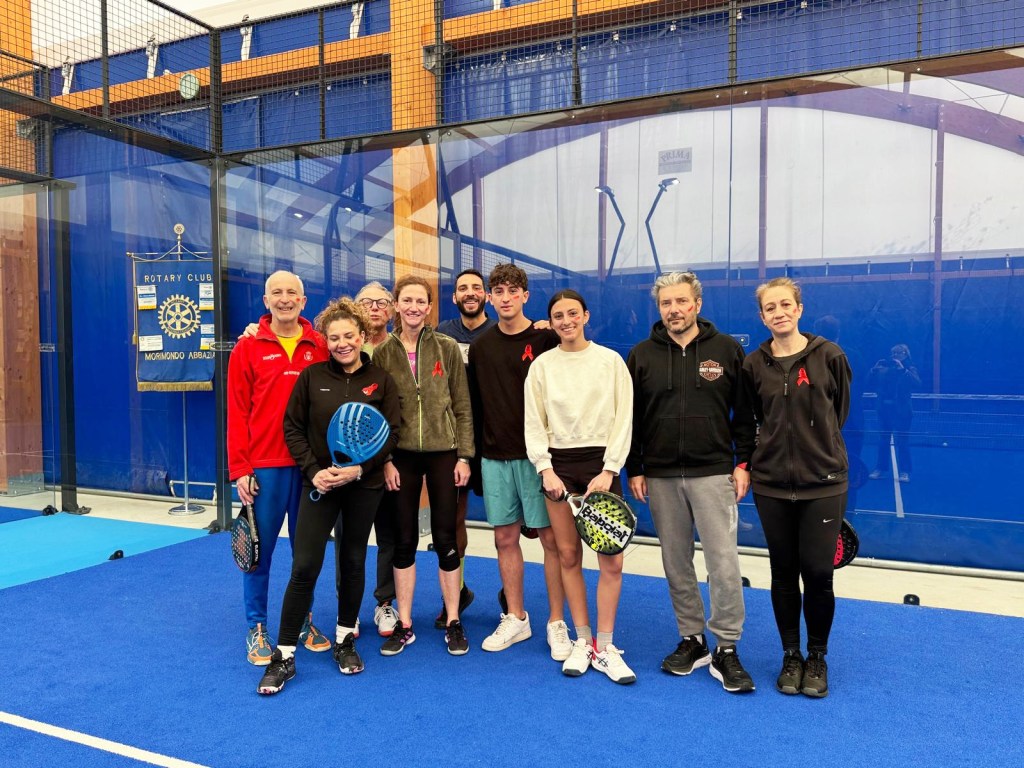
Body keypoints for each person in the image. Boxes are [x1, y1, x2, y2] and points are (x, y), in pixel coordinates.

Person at [257, 298, 401, 694]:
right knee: (304, 566)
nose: (342, 344)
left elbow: (391, 433)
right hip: (319, 486)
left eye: (349, 336)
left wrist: (360, 469)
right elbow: (293, 428)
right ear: (326, 340)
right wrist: (314, 472)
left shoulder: (382, 380)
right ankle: (284, 656)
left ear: (361, 335)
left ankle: (344, 641)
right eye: (334, 338)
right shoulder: (311, 377)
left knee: (353, 561)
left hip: (364, 486)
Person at [625, 272, 757, 694]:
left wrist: (743, 463)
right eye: (666, 303)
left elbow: (745, 414)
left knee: (723, 563)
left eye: (682, 301)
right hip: (661, 475)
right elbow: (632, 418)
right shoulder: (641, 355)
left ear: (697, 304)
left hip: (714, 472)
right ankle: (693, 639)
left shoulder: (726, 350)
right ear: (659, 308)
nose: (674, 310)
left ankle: (727, 647)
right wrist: (636, 467)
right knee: (676, 562)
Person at [741, 277, 852, 699]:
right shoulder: (753, 365)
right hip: (771, 486)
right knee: (783, 574)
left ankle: (817, 656)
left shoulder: (830, 356)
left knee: (819, 574)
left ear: (799, 309)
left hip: (823, 484)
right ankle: (791, 655)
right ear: (762, 316)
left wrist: (815, 452)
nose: (779, 313)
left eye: (785, 305)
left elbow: (839, 413)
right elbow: (754, 418)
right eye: (770, 308)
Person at [524, 289, 635, 684]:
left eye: (573, 313)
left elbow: (624, 418)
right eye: (558, 316)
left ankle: (605, 647)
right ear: (551, 322)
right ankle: (583, 641)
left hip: (600, 467)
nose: (566, 321)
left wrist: (609, 470)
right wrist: (545, 469)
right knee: (568, 556)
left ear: (586, 316)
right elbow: (534, 421)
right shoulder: (542, 366)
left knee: (612, 561)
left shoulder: (611, 361)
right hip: (558, 469)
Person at [227, 270, 332, 665]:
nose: (284, 298)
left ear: (303, 301)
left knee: (306, 554)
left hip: (309, 468)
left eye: (292, 292)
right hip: (264, 469)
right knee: (260, 553)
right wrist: (240, 468)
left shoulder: (320, 345)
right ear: (266, 301)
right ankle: (256, 627)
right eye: (277, 292)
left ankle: (303, 620)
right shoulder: (247, 347)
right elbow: (237, 412)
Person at [468, 264, 569, 660]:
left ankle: (557, 622)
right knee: (504, 539)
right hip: (495, 458)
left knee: (550, 541)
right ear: (489, 298)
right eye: (499, 291)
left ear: (525, 296)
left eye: (513, 291)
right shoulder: (481, 347)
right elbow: (475, 406)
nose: (506, 298)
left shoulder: (546, 338)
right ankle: (516, 617)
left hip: (538, 460)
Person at [372, 274, 476, 656]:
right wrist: (385, 460)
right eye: (407, 300)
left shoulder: (447, 348)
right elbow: (377, 412)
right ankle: (404, 624)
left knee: (446, 538)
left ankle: (453, 621)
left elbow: (462, 405)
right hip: (401, 457)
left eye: (421, 301)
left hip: (444, 453)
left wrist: (464, 456)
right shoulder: (383, 353)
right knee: (405, 540)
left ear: (430, 307)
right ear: (396, 305)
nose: (414, 307)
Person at [429, 268, 493, 627]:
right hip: (455, 443)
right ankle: (456, 593)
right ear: (454, 297)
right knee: (452, 520)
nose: (470, 293)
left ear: (486, 295)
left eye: (476, 288)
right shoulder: (441, 334)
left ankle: (510, 598)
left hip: (495, 441)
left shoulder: (500, 332)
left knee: (511, 526)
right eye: (463, 288)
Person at [353, 281, 403, 637]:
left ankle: (385, 603)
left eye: (382, 302)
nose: (374, 307)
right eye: (366, 301)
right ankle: (348, 608)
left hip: (392, 459)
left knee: (389, 536)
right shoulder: (341, 345)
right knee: (350, 540)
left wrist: (387, 458)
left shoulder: (402, 348)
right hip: (349, 462)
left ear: (392, 309)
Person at [869, 343, 920, 483]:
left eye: (899, 353)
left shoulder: (910, 368)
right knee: (883, 440)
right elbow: (870, 383)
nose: (895, 356)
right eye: (893, 353)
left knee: (902, 441)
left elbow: (917, 384)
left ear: (905, 354)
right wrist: (873, 370)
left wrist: (903, 370)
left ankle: (905, 471)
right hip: (884, 410)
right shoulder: (884, 368)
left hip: (902, 411)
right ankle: (880, 468)